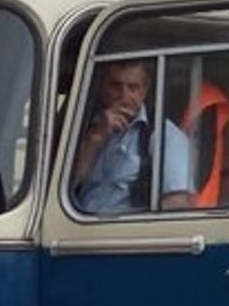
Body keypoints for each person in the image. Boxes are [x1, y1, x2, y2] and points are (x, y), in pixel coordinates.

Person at [70, 59, 192, 213]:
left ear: (144, 91)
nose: (124, 96)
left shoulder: (164, 135)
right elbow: (64, 185)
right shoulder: (82, 126)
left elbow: (178, 202)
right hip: (76, 225)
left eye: (133, 88)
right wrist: (94, 138)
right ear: (102, 86)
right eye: (115, 86)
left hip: (126, 231)